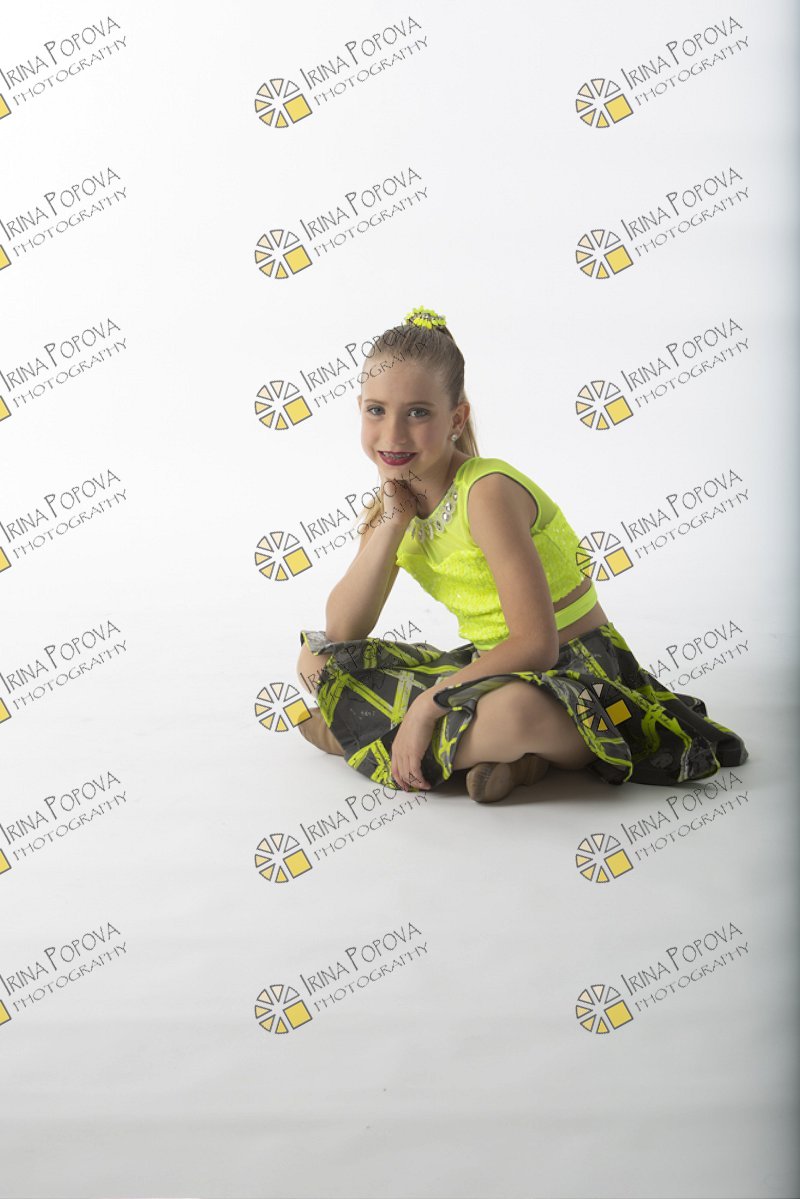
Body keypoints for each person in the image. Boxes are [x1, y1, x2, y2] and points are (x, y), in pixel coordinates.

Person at [295, 306, 748, 803]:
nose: (393, 435)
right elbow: (341, 631)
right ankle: (517, 759)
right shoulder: (392, 506)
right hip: (491, 667)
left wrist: (426, 707)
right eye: (376, 411)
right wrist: (392, 524)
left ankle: (365, 737)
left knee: (515, 713)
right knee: (314, 662)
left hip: (576, 670)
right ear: (359, 408)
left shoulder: (485, 492)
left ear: (456, 418)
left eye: (418, 413)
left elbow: (536, 646)